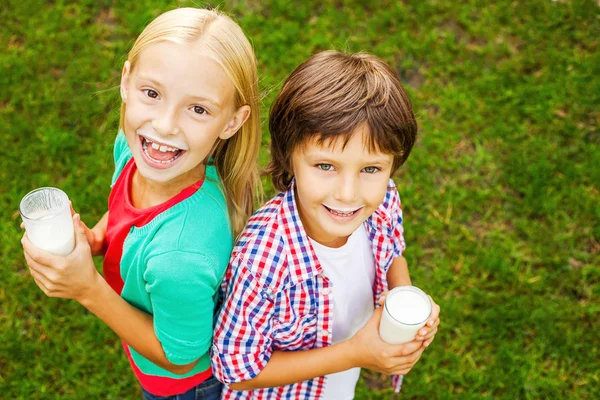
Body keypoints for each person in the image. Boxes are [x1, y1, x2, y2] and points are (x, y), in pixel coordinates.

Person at [21, 7, 261, 400]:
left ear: (232, 122)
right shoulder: (137, 152)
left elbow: (180, 356)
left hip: (185, 386)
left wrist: (88, 289)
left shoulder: (180, 257)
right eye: (152, 94)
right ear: (126, 82)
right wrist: (97, 238)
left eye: (198, 109)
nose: (165, 125)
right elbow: (124, 213)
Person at [212, 51, 441, 399]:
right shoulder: (262, 262)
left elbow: (393, 252)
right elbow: (236, 370)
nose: (348, 194)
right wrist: (354, 354)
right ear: (289, 156)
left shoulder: (384, 202)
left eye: (370, 169)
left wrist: (403, 298)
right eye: (326, 166)